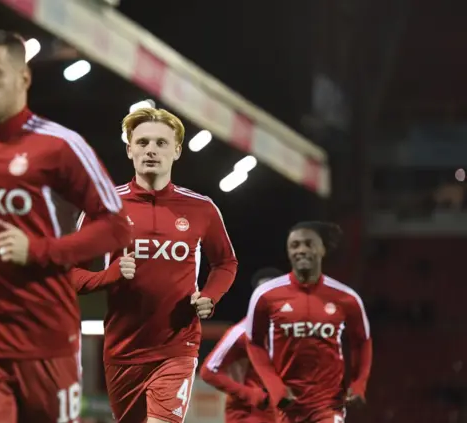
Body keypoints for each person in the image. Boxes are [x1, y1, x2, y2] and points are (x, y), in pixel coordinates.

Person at [0, 29, 131, 423]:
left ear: (23, 78)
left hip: (45, 339)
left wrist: (40, 251)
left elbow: (117, 226)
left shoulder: (60, 146)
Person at [70, 107, 238, 423]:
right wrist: (109, 276)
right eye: (143, 142)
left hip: (178, 346)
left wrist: (210, 297)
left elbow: (226, 262)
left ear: (176, 150)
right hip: (123, 350)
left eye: (161, 143)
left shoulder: (202, 208)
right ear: (129, 149)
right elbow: (69, 275)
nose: (151, 150)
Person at [245, 222, 372, 423]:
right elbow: (254, 343)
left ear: (322, 249)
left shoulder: (346, 298)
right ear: (288, 252)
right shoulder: (265, 295)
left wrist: (358, 385)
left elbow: (362, 342)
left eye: (308, 244)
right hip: (288, 405)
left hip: (328, 404)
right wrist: (275, 387)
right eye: (295, 245)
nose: (301, 250)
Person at [200, 267, 283, 423]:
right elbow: (208, 371)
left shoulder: (290, 330)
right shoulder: (242, 332)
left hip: (281, 413)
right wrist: (249, 394)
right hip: (249, 414)